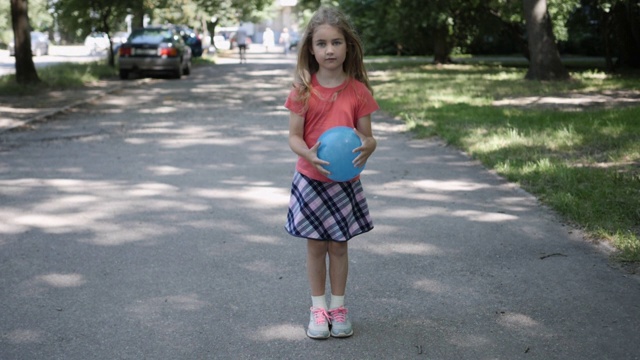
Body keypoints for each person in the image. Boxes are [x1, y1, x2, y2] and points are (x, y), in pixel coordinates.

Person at [283, 6, 378, 340]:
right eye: (321, 43)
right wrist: (307, 153)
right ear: (311, 48)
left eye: (336, 42)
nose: (329, 50)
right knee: (315, 247)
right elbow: (294, 136)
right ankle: (317, 309)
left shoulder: (358, 91)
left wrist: (371, 144)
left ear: (347, 46)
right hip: (311, 180)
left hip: (344, 183)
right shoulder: (303, 90)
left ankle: (339, 307)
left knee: (339, 246)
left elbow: (366, 137)